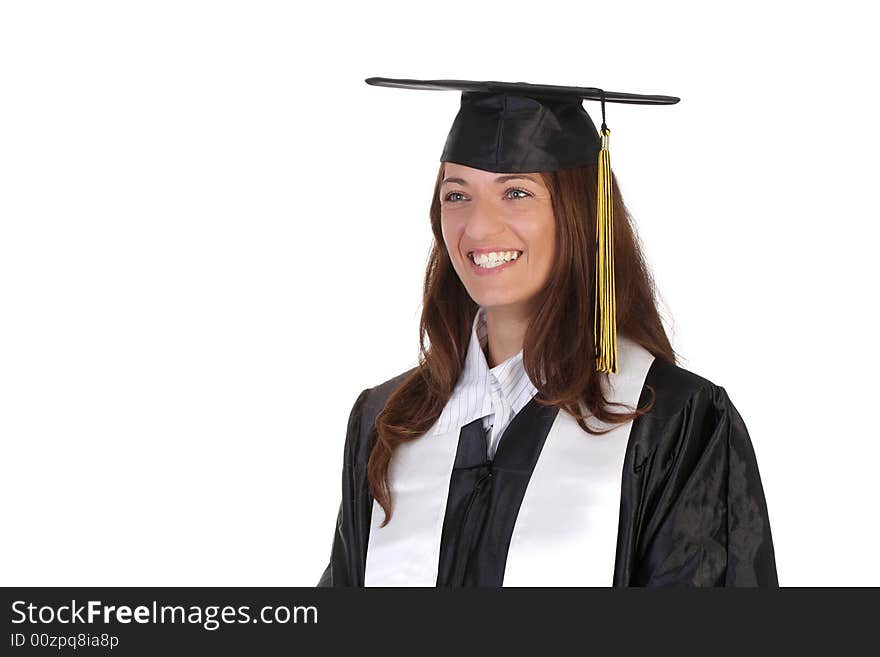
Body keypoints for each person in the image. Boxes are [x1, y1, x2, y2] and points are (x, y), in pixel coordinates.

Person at [317, 77, 778, 587]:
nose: (478, 228)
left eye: (516, 192)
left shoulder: (674, 422)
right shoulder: (389, 421)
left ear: (580, 212)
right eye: (456, 194)